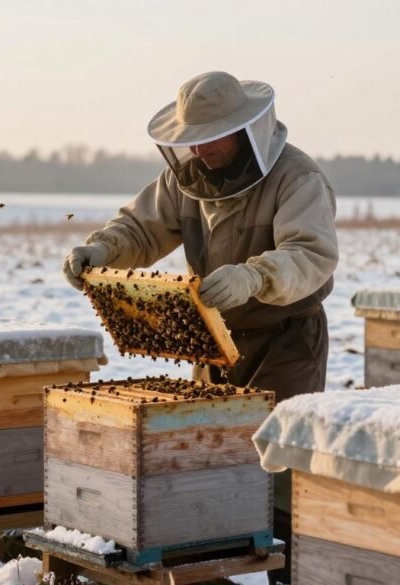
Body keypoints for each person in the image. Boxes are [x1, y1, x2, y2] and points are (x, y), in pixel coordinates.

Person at [61, 70, 338, 582]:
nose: (202, 150)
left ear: (247, 130)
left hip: (286, 338)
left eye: (212, 138)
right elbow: (141, 226)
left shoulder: (297, 178)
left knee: (277, 470)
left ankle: (292, 574)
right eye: (193, 141)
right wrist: (102, 248)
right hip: (214, 341)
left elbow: (311, 255)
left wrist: (254, 277)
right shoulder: (184, 178)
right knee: (208, 461)